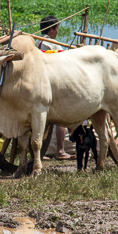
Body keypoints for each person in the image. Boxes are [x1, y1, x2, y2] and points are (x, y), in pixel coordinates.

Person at [36, 16, 73, 160]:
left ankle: (40, 153)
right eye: (56, 29)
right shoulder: (52, 44)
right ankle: (60, 151)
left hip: (39, 83)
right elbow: (65, 60)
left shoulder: (36, 42)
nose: (57, 32)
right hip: (53, 84)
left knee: (41, 118)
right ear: (51, 30)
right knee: (60, 118)